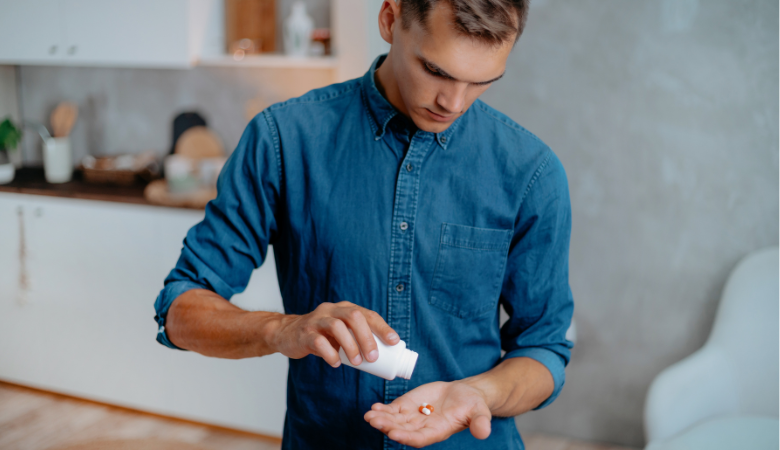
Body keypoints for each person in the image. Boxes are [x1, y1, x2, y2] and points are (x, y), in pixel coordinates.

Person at [153, 0, 574, 448]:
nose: (453, 102)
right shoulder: (284, 140)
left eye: (481, 82)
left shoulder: (531, 173)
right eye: (436, 70)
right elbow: (181, 309)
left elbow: (544, 350)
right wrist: (282, 330)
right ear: (390, 20)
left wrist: (476, 393)